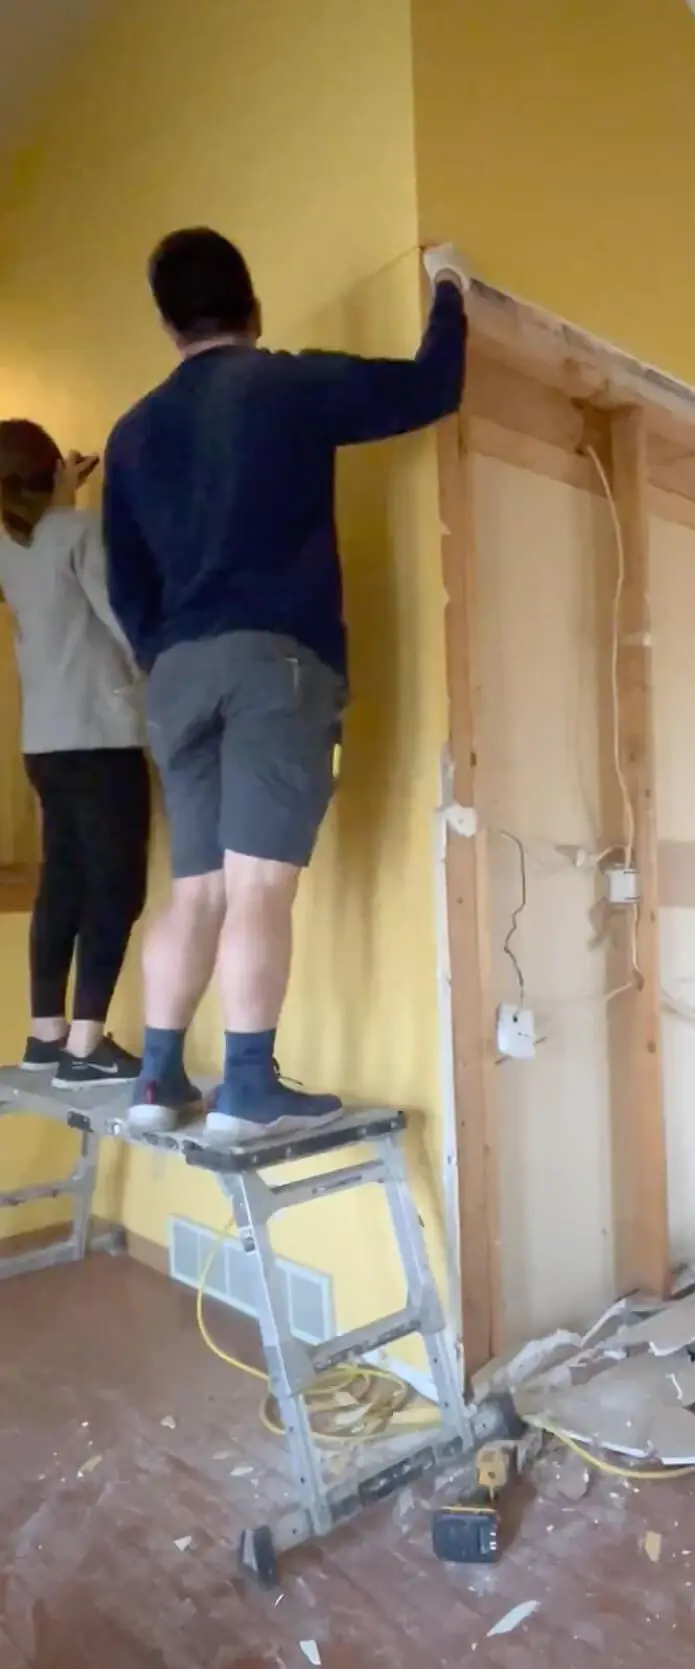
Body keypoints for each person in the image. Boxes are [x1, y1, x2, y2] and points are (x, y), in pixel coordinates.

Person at [103, 228, 469, 1141]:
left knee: (195, 890)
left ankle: (155, 1082)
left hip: (176, 674)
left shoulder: (133, 432)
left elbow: (124, 581)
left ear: (167, 322)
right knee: (259, 886)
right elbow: (432, 387)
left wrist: (168, 652)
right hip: (275, 662)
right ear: (252, 307)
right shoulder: (284, 383)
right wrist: (451, 291)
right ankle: (247, 1087)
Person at [0, 421, 150, 1088]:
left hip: (46, 742)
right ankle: (89, 1047)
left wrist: (58, 493)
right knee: (116, 886)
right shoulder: (81, 534)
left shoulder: (7, 548)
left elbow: (35, 534)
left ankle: (47, 1036)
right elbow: (124, 620)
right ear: (54, 467)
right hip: (102, 732)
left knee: (62, 879)